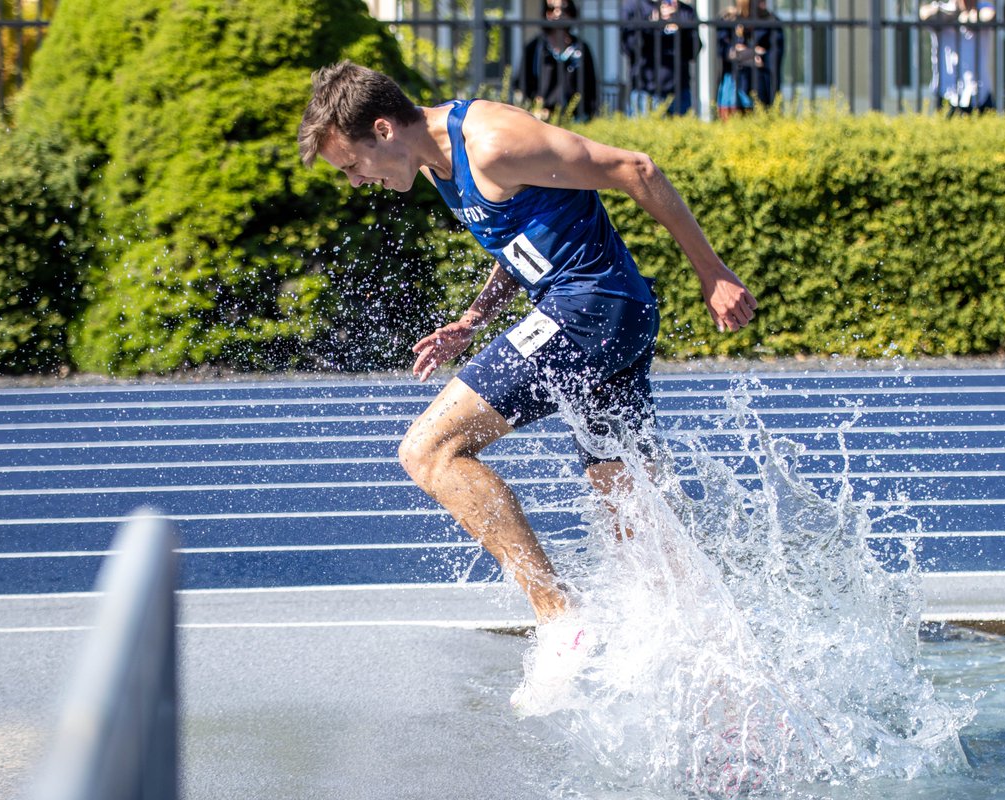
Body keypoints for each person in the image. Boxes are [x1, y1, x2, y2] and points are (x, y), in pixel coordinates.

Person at [298, 61, 757, 713]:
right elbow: (518, 239)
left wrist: (712, 273)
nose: (356, 181)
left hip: (592, 309)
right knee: (631, 510)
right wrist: (473, 319)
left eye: (351, 166)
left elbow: (636, 169)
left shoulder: (490, 141)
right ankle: (716, 660)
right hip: (603, 316)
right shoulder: (433, 162)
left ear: (382, 129)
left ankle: (560, 616)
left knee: (428, 452)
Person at [515, 0, 600, 122]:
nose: (558, 13)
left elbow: (591, 87)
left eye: (564, 9)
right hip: (542, 120)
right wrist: (533, 110)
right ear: (545, 13)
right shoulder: (535, 48)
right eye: (552, 9)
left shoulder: (581, 48)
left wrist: (590, 115)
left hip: (576, 120)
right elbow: (522, 84)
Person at [621, 0, 702, 116]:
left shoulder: (684, 11)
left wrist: (680, 26)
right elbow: (629, 47)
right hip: (644, 90)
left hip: (679, 90)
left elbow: (693, 51)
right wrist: (651, 25)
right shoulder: (633, 8)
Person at [919, 0, 996, 115]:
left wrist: (967, 18)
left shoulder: (983, 6)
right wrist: (954, 13)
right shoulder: (941, 8)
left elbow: (988, 16)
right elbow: (924, 15)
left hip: (980, 95)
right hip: (947, 94)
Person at [716, 0, 784, 120]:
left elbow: (771, 59)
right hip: (733, 87)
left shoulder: (771, 22)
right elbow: (724, 51)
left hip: (761, 88)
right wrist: (754, 53)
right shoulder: (728, 19)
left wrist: (740, 54)